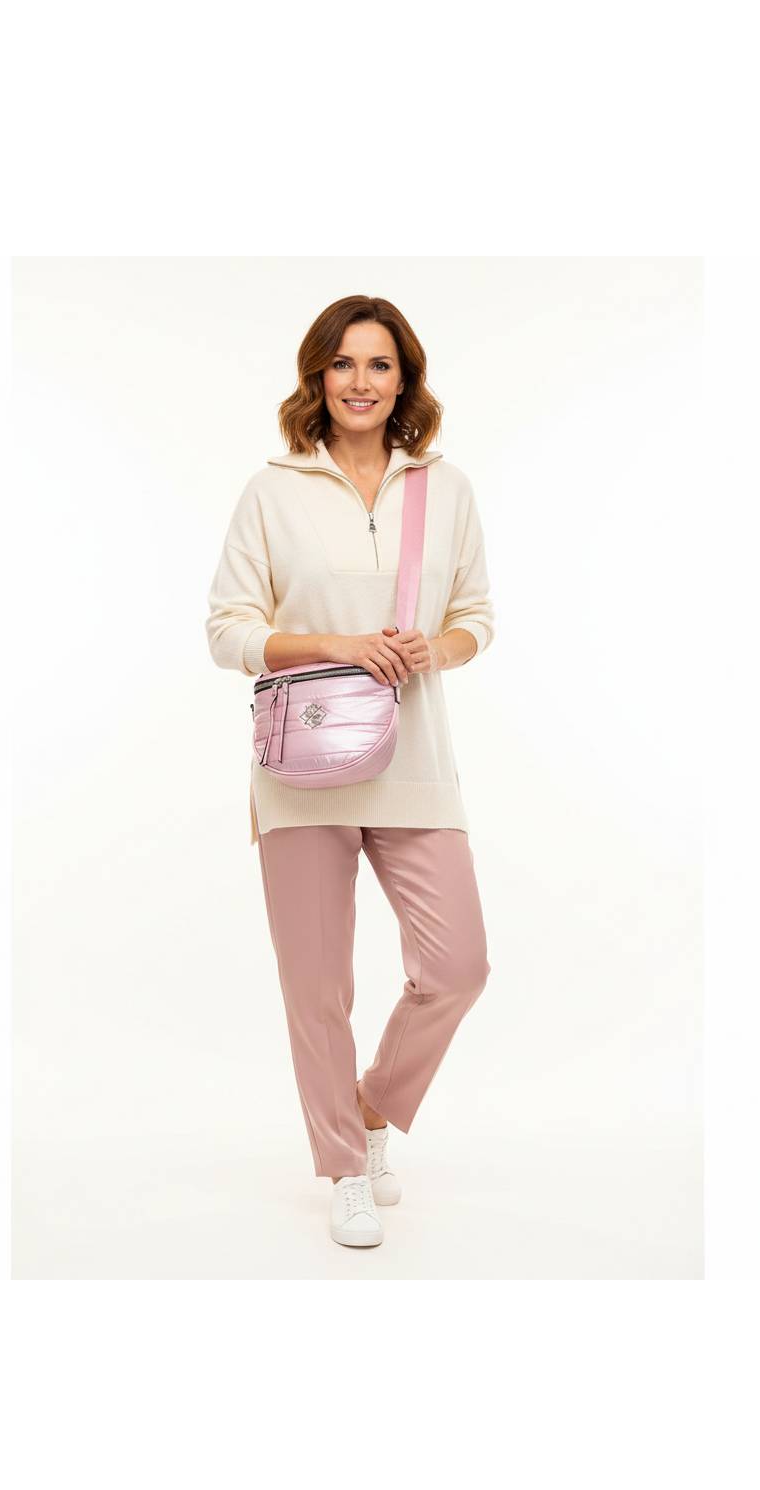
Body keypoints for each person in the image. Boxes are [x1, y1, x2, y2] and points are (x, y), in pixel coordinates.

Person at [205, 294, 495, 1248]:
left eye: (378, 365)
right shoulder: (272, 489)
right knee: (318, 987)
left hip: (416, 762)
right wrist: (336, 644)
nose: (359, 383)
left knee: (456, 966)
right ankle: (343, 1169)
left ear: (404, 379)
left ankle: (369, 1110)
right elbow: (228, 630)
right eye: (342, 364)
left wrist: (431, 651)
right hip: (301, 767)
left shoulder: (445, 489)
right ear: (317, 377)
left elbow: (476, 617)